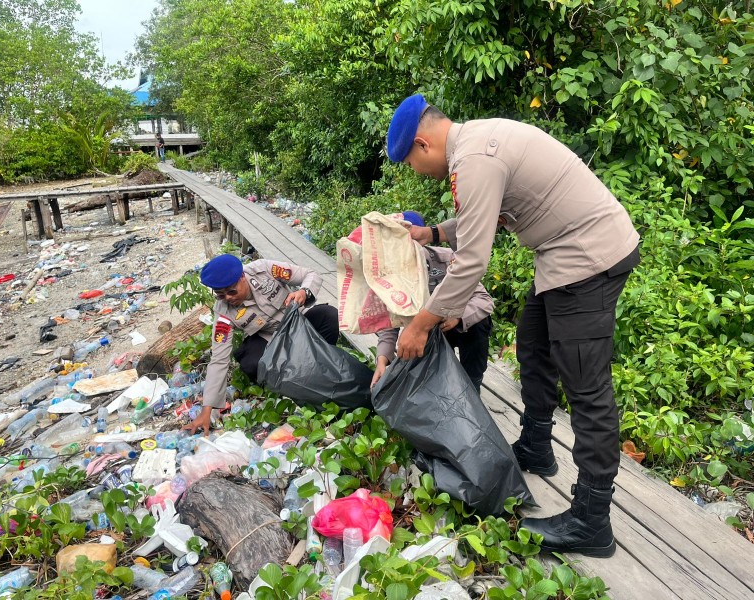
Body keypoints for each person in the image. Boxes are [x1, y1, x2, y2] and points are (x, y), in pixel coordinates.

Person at [385, 94, 640, 558]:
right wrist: (434, 233)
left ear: (422, 144)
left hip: (588, 257)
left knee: (587, 387)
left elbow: (473, 261)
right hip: (561, 257)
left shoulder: (476, 158)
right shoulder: (475, 144)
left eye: (410, 164)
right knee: (533, 347)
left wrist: (422, 323)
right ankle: (538, 446)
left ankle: (591, 519)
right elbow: (479, 220)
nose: (416, 171)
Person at [184, 254, 339, 436]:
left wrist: (303, 292)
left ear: (242, 276)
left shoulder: (264, 269)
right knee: (250, 362)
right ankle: (293, 385)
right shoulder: (224, 312)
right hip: (274, 342)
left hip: (302, 324)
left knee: (329, 316)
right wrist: (207, 409)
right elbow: (219, 359)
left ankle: (322, 362)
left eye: (231, 291)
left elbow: (311, 274)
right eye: (220, 295)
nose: (228, 298)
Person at [359, 211, 494, 391]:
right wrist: (382, 360)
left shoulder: (447, 259)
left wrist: (457, 316)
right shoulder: (391, 274)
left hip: (455, 326)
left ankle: (472, 385)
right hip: (422, 334)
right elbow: (389, 323)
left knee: (479, 323)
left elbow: (484, 300)